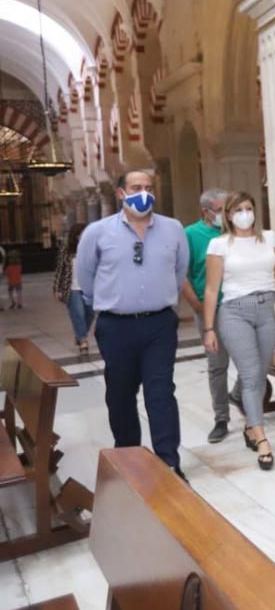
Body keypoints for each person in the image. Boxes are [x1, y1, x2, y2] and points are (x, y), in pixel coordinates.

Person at [76, 170, 194, 478]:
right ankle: (129, 459)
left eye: (148, 187)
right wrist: (109, 300)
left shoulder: (173, 229)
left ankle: (169, 461)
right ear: (120, 194)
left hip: (159, 324)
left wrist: (162, 295)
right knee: (120, 394)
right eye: (136, 187)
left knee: (161, 392)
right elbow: (86, 278)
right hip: (116, 326)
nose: (144, 193)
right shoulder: (97, 233)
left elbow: (180, 270)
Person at [202, 192, 275, 471]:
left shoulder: (270, 238)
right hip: (235, 312)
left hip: (268, 310)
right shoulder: (219, 244)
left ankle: (251, 427)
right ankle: (262, 438)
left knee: (259, 374)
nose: (244, 213)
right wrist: (208, 328)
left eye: (249, 208)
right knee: (251, 376)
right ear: (227, 215)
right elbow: (212, 289)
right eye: (238, 209)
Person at [184, 187, 242, 444]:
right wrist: (196, 304)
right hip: (211, 308)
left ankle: (240, 394)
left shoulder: (235, 232)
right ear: (205, 212)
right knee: (217, 365)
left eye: (227, 210)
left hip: (239, 305)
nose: (225, 215)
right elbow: (180, 273)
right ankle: (221, 418)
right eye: (220, 210)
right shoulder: (190, 235)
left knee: (253, 361)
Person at [54, 223, 94, 353]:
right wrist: (57, 289)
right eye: (81, 234)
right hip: (72, 287)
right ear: (75, 236)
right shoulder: (67, 250)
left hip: (89, 288)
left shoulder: (91, 249)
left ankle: (79, 335)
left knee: (90, 313)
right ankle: (83, 340)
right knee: (79, 313)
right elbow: (60, 270)